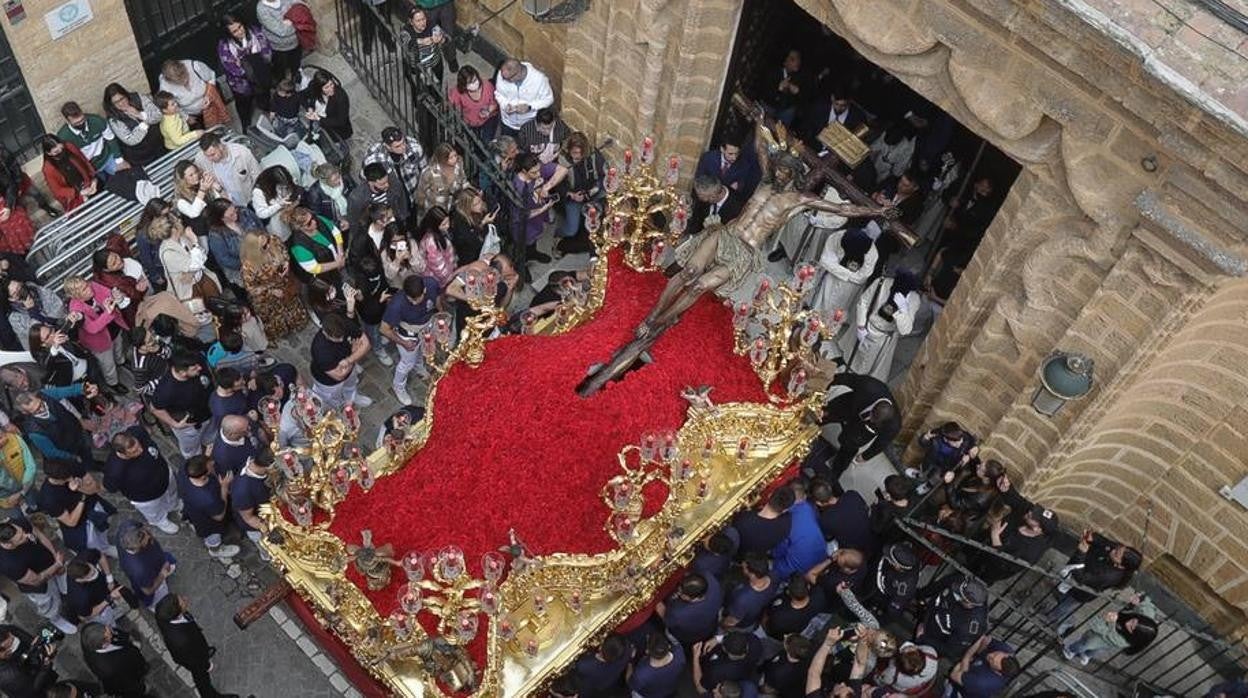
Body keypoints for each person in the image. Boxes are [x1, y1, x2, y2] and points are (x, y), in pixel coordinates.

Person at [804, 371, 901, 485]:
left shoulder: (893, 426)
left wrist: (865, 456)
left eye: (874, 422)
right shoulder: (869, 386)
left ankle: (834, 473)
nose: (870, 420)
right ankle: (803, 432)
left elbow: (881, 443)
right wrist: (821, 392)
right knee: (821, 416)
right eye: (871, 416)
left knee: (848, 449)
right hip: (848, 406)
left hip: (861, 432)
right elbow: (842, 378)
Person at [1046, 530, 1142, 632]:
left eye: (1117, 554)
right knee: (1062, 597)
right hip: (1078, 576)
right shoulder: (1114, 551)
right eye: (1118, 548)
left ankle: (1055, 621)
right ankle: (1057, 615)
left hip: (1080, 591)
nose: (1113, 550)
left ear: (1121, 564)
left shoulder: (1109, 576)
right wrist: (1092, 537)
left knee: (1065, 607)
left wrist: (1081, 553)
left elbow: (1081, 578)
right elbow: (1105, 542)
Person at [837, 270, 921, 381]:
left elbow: (905, 330)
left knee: (868, 372)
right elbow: (864, 302)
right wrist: (861, 326)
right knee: (850, 359)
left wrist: (903, 311)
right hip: (868, 325)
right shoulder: (881, 282)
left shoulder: (914, 299)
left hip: (885, 337)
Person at [156, 594, 242, 698]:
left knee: (201, 650)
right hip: (194, 659)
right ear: (176, 612)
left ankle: (205, 653)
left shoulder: (163, 614)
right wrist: (203, 664)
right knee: (202, 680)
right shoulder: (180, 641)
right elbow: (184, 659)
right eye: (182, 601)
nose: (185, 598)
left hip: (195, 644)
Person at [0, 519, 77, 635]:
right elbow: (37, 580)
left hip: (52, 563)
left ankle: (66, 595)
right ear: (7, 544)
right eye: (20, 539)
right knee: (49, 604)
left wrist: (54, 557)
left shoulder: (18, 524)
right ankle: (55, 619)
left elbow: (40, 536)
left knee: (65, 585)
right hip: (39, 586)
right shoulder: (8, 564)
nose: (26, 536)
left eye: (22, 532)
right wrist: (57, 565)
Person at [104, 426, 181, 534]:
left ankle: (173, 504)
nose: (140, 450)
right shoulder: (114, 470)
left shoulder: (137, 431)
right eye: (134, 452)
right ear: (122, 453)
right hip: (146, 497)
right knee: (153, 511)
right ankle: (159, 520)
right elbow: (110, 487)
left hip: (165, 476)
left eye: (138, 445)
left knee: (172, 493)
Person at [380, 274, 440, 405]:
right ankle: (398, 386)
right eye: (410, 299)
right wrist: (403, 343)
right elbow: (384, 329)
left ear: (424, 290)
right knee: (407, 363)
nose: (413, 302)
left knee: (422, 351)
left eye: (416, 299)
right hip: (407, 333)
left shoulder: (431, 284)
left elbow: (438, 298)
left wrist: (440, 316)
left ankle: (419, 368)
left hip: (426, 326)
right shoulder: (397, 304)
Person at [62, 277, 127, 394]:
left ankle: (121, 361)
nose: (89, 288)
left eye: (86, 284)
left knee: (119, 346)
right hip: (100, 341)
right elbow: (93, 328)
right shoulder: (76, 308)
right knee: (108, 365)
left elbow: (109, 293)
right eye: (84, 289)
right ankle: (113, 383)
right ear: (76, 296)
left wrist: (115, 296)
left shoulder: (93, 285)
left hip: (114, 328)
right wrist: (108, 312)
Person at [240, 230, 308, 340]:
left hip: (285, 284)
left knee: (292, 306)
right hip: (268, 296)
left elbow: (284, 251)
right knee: (276, 317)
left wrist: (286, 262)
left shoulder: (273, 240)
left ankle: (296, 324)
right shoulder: (248, 266)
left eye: (267, 243)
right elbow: (251, 288)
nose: (267, 247)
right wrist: (270, 291)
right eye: (263, 247)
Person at [1062, 593, 1158, 666]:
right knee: (1098, 648)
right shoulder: (1145, 622)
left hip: (1102, 637)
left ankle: (1070, 651)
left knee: (1084, 644)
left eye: (1131, 627)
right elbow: (1148, 609)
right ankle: (1087, 655)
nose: (1128, 623)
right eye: (1133, 620)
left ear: (1135, 635)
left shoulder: (1124, 641)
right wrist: (1140, 600)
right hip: (1106, 638)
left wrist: (1110, 621)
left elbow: (1107, 633)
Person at [149, 352, 214, 458]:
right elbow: (155, 408)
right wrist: (175, 424)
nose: (200, 368)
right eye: (194, 368)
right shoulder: (166, 390)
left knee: (209, 436)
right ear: (183, 373)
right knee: (191, 450)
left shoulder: (195, 360)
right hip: (191, 426)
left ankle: (208, 444)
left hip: (209, 414)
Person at [509, 152, 566, 267]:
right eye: (534, 172)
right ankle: (522, 266)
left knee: (534, 240)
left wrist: (547, 186)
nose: (539, 174)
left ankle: (533, 253)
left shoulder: (538, 169)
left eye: (539, 170)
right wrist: (544, 208)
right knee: (523, 247)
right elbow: (520, 215)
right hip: (524, 225)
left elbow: (563, 170)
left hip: (537, 220)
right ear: (524, 171)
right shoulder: (518, 188)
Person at [808, 228, 876, 323]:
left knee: (839, 309)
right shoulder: (837, 237)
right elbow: (825, 261)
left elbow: (861, 277)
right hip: (831, 278)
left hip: (849, 287)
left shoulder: (872, 253)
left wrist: (836, 268)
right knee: (822, 302)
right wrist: (850, 274)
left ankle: (829, 328)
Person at [179, 455, 241, 559]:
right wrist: (224, 489)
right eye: (210, 465)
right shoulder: (207, 499)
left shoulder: (185, 469)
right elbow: (219, 516)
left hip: (192, 509)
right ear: (204, 475)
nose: (213, 463)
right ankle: (215, 550)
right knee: (213, 537)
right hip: (207, 523)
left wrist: (205, 458)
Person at [217, 14, 273, 127]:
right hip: (241, 84)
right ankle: (246, 123)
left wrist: (244, 62)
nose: (240, 32)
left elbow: (267, 54)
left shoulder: (255, 32)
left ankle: (265, 108)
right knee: (244, 105)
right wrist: (252, 62)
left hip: (260, 77)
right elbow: (232, 68)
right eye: (234, 31)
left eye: (240, 27)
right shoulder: (224, 46)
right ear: (229, 34)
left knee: (264, 96)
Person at [309, 312, 373, 409]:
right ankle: (340, 408)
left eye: (342, 336)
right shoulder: (320, 350)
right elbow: (339, 375)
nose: (342, 339)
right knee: (333, 399)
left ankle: (352, 398)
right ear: (325, 333)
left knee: (351, 385)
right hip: (328, 382)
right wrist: (354, 354)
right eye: (337, 338)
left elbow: (366, 344)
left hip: (349, 367)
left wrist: (349, 360)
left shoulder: (343, 323)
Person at [916, 574, 988, 658]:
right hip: (927, 621)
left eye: (959, 595)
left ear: (969, 604)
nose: (954, 593)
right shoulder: (958, 581)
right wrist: (918, 596)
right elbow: (936, 587)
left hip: (933, 643)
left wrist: (923, 638)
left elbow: (951, 650)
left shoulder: (970, 626)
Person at [150, 215, 220, 301]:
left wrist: (192, 272)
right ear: (173, 229)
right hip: (189, 291)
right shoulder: (168, 252)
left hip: (202, 278)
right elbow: (195, 264)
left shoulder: (183, 239)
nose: (181, 222)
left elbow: (203, 256)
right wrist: (194, 242)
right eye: (178, 221)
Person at [362, 128, 423, 222]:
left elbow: (423, 168)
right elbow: (365, 176)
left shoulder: (414, 148)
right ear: (387, 146)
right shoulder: (374, 158)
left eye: (403, 142)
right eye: (398, 146)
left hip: (411, 192)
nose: (403, 147)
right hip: (392, 198)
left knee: (412, 218)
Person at [557, 131, 606, 248]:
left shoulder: (594, 155)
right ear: (569, 150)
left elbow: (603, 176)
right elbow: (558, 184)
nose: (577, 156)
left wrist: (593, 190)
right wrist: (571, 195)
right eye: (574, 153)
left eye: (580, 153)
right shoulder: (562, 160)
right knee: (571, 230)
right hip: (573, 197)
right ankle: (558, 237)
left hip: (592, 192)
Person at [102, 84, 165, 168]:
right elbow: (131, 140)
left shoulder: (138, 97)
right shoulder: (113, 118)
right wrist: (145, 123)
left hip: (159, 145)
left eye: (122, 98)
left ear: (126, 95)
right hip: (141, 157)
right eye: (116, 102)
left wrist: (140, 115)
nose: (121, 103)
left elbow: (158, 115)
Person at [57, 102, 124, 179]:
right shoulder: (63, 136)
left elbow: (110, 138)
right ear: (67, 121)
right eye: (76, 123)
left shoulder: (96, 120)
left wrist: (119, 160)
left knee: (124, 177)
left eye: (82, 119)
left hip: (106, 157)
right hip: (89, 168)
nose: (81, 123)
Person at [80, 622, 150, 697]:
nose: (110, 629)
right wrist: (141, 687)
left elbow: (115, 634)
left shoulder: (88, 634)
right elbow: (127, 682)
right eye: (109, 634)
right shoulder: (110, 668)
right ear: (104, 644)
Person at [194, 133, 262, 208]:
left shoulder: (242, 153)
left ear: (220, 146)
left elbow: (258, 175)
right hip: (227, 205)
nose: (210, 159)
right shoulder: (201, 159)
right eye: (207, 156)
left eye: (213, 154)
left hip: (249, 199)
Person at [655, 572, 721, 647]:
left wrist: (655, 598)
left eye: (682, 594)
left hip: (687, 637)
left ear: (693, 598)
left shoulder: (679, 613)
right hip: (711, 625)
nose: (680, 593)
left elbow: (664, 616)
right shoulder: (711, 581)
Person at [286, 206, 347, 288]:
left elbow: (335, 231)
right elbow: (314, 268)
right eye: (309, 223)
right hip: (327, 275)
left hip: (340, 260)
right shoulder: (298, 247)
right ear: (300, 228)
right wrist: (337, 264)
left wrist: (341, 252)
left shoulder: (318, 219)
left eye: (313, 217)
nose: (314, 222)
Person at [92, 243, 149, 329]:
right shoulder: (114, 283)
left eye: (115, 257)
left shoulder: (124, 260)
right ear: (106, 270)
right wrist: (139, 290)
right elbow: (132, 295)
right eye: (114, 264)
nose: (118, 261)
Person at [230, 448, 274, 559]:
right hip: (256, 526)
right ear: (269, 467)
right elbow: (249, 518)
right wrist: (269, 529)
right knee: (266, 547)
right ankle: (267, 556)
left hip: (266, 509)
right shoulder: (243, 491)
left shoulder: (255, 459)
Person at [495, 58, 554, 138]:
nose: (504, 80)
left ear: (519, 73)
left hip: (528, 124)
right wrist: (505, 105)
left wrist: (530, 107)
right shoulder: (503, 74)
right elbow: (498, 94)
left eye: (508, 79)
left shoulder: (539, 79)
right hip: (507, 123)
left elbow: (549, 99)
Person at [65, 549, 126, 628]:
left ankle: (116, 612)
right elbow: (89, 614)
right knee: (108, 622)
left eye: (93, 568)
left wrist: (109, 578)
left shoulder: (85, 555)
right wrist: (108, 599)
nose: (95, 573)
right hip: (96, 608)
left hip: (102, 590)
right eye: (91, 575)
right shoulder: (79, 597)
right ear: (79, 580)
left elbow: (100, 556)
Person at [808, 478, 872, 552]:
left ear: (818, 503)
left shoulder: (825, 520)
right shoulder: (852, 494)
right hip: (872, 539)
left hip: (854, 551)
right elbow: (866, 509)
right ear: (830, 488)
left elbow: (828, 538)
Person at [947, 635, 1019, 698]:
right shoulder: (1007, 650)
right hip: (967, 668)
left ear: (998, 672)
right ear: (1007, 654)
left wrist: (967, 657)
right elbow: (983, 638)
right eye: (995, 653)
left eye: (992, 660)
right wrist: (975, 654)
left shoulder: (983, 682)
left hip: (959, 693)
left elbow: (954, 675)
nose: (990, 655)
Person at [40, 135, 97, 212]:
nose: (61, 151)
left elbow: (84, 162)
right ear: (49, 153)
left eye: (61, 148)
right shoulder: (48, 169)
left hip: (88, 184)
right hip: (75, 197)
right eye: (56, 151)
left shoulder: (69, 147)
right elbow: (57, 190)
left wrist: (93, 180)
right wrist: (79, 193)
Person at [732, 485, 794, 556]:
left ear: (770, 495)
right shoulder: (786, 523)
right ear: (785, 510)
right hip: (751, 556)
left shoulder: (743, 521)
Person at [0, 623, 60, 697]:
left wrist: (33, 648)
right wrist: (46, 664)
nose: (10, 650)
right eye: (9, 647)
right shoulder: (9, 676)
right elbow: (32, 690)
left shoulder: (5, 630)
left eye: (13, 639)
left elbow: (18, 633)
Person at [724, 553, 781, 630]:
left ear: (752, 574)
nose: (742, 567)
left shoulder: (743, 599)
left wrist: (722, 624)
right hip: (754, 617)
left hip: (742, 624)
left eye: (744, 567)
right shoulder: (775, 576)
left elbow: (731, 621)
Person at [693, 631, 762, 693]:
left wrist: (695, 657)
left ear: (727, 652)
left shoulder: (718, 671)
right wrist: (717, 639)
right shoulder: (755, 641)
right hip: (746, 674)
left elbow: (700, 689)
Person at [695, 136, 761, 200]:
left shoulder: (743, 164)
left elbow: (741, 185)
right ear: (722, 149)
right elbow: (699, 179)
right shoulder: (708, 158)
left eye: (737, 154)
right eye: (730, 154)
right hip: (706, 198)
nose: (734, 158)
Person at [205, 199, 252, 288]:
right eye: (231, 215)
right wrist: (248, 264)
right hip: (241, 273)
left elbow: (259, 230)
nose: (236, 214)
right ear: (221, 218)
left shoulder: (243, 214)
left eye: (235, 210)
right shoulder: (216, 235)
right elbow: (225, 260)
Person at [399, 7, 448, 90]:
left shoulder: (431, 25)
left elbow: (445, 37)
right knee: (418, 91)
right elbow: (407, 43)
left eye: (423, 19)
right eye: (418, 21)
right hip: (417, 68)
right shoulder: (406, 31)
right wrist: (422, 41)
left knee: (436, 88)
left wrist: (441, 39)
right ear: (411, 22)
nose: (422, 23)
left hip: (434, 64)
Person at [158, 59, 217, 127]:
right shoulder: (165, 87)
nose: (184, 81)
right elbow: (170, 106)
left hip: (212, 103)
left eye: (185, 76)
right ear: (170, 82)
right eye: (179, 81)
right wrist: (186, 118)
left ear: (184, 67)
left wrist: (208, 95)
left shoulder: (195, 66)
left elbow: (211, 76)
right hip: (192, 116)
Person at [448, 65, 498, 142]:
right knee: (474, 142)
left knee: (487, 141)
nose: (474, 84)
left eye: (475, 80)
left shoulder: (487, 86)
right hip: (470, 122)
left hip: (489, 119)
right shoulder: (457, 92)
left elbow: (495, 103)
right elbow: (449, 103)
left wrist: (489, 110)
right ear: (464, 85)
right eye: (469, 83)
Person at [450, 187, 501, 262]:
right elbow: (470, 241)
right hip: (470, 257)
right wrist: (483, 223)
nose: (479, 205)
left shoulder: (481, 210)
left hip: (485, 250)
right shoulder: (459, 221)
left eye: (479, 201)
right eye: (475, 204)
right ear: (467, 207)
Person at [255, 0, 302, 81]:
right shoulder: (261, 9)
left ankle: (296, 77)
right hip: (279, 47)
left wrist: (291, 21)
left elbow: (300, 5)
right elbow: (281, 31)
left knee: (296, 63)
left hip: (296, 41)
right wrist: (299, 23)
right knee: (280, 71)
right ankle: (282, 86)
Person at [303, 69, 354, 143]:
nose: (331, 89)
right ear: (319, 88)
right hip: (320, 119)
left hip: (335, 129)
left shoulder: (341, 98)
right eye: (326, 87)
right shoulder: (312, 87)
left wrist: (319, 118)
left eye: (331, 84)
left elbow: (341, 121)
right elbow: (303, 96)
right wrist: (310, 108)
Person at [801, 92, 867, 149]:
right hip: (814, 147)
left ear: (849, 102)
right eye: (836, 104)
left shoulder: (858, 118)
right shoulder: (819, 107)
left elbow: (856, 144)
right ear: (832, 98)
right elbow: (807, 127)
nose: (838, 109)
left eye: (843, 106)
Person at [629, 631, 684, 698]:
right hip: (671, 689)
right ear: (668, 646)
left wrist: (630, 660)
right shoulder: (679, 653)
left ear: (647, 651)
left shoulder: (641, 674)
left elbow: (630, 682)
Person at [252, 164, 301, 240]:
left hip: (290, 220)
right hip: (277, 228)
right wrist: (279, 205)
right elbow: (261, 213)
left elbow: (293, 188)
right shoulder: (258, 192)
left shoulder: (283, 180)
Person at [415, 143, 467, 213]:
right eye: (450, 158)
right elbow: (420, 195)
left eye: (455, 155)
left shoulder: (458, 166)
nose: (455, 159)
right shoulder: (429, 173)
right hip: (433, 212)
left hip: (451, 210)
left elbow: (464, 182)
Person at [760, 48, 806, 125]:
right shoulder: (774, 73)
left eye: (798, 59)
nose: (797, 62)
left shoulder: (799, 77)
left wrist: (798, 92)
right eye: (792, 59)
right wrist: (779, 89)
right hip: (770, 106)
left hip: (783, 112)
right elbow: (766, 95)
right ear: (785, 62)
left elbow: (803, 101)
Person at [303, 163, 350, 233]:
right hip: (335, 225)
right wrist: (338, 224)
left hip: (349, 215)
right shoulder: (315, 193)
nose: (339, 181)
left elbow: (352, 193)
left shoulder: (344, 179)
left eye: (338, 177)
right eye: (334, 180)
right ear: (325, 181)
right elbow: (319, 217)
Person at [416, 206, 456, 288]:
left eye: (448, 222)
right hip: (436, 279)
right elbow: (439, 269)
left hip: (448, 270)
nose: (447, 226)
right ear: (435, 225)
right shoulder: (431, 242)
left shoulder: (441, 232)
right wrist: (452, 277)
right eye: (444, 224)